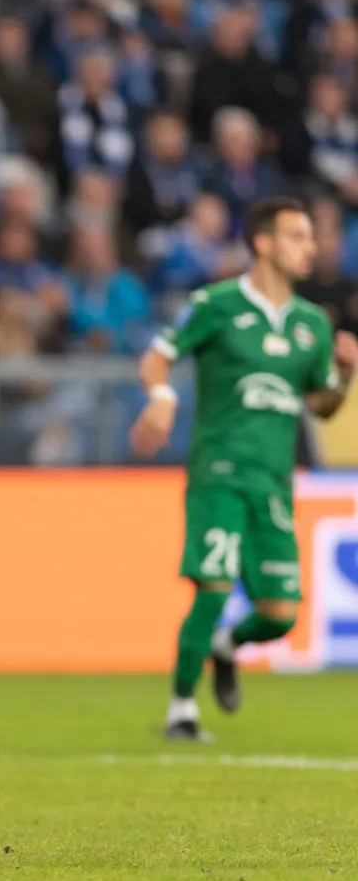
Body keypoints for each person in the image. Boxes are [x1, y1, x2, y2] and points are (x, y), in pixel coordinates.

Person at [130, 197, 358, 742]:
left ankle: (227, 647)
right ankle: (181, 711)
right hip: (220, 472)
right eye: (298, 236)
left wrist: (345, 376)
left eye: (311, 237)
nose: (312, 246)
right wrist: (161, 398)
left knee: (281, 614)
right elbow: (157, 355)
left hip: (275, 481)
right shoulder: (217, 303)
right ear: (263, 243)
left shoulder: (312, 325)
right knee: (212, 586)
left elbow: (321, 404)